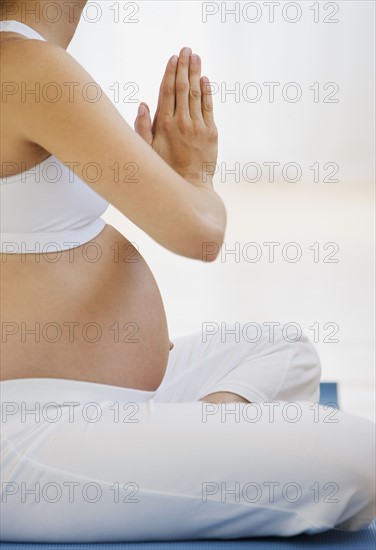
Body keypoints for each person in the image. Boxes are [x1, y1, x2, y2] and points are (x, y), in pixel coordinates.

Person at [0, 0, 374, 542]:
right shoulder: (30, 67)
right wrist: (194, 179)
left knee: (282, 350)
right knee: (361, 459)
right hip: (32, 437)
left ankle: (188, 440)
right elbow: (200, 234)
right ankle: (191, 448)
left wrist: (168, 177)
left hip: (91, 404)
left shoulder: (27, 59)